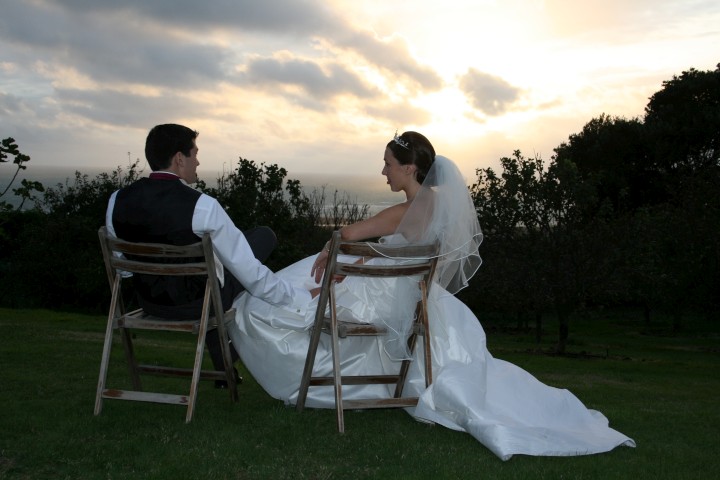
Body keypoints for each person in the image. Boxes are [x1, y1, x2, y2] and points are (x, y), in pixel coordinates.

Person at [229, 131, 636, 460]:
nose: (383, 171)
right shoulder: (441, 209)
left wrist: (328, 252)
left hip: (385, 300)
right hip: (420, 302)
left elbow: (346, 234)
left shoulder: (405, 211)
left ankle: (305, 377)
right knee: (314, 286)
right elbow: (403, 257)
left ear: (409, 168)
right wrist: (354, 263)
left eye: (388, 164)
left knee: (271, 301)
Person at [106, 123, 312, 387]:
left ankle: (224, 367)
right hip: (198, 304)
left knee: (218, 275)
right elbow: (251, 275)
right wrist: (300, 298)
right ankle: (226, 357)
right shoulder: (202, 206)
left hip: (149, 303)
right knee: (261, 239)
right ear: (179, 159)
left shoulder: (117, 200)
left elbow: (124, 270)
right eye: (195, 153)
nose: (198, 161)